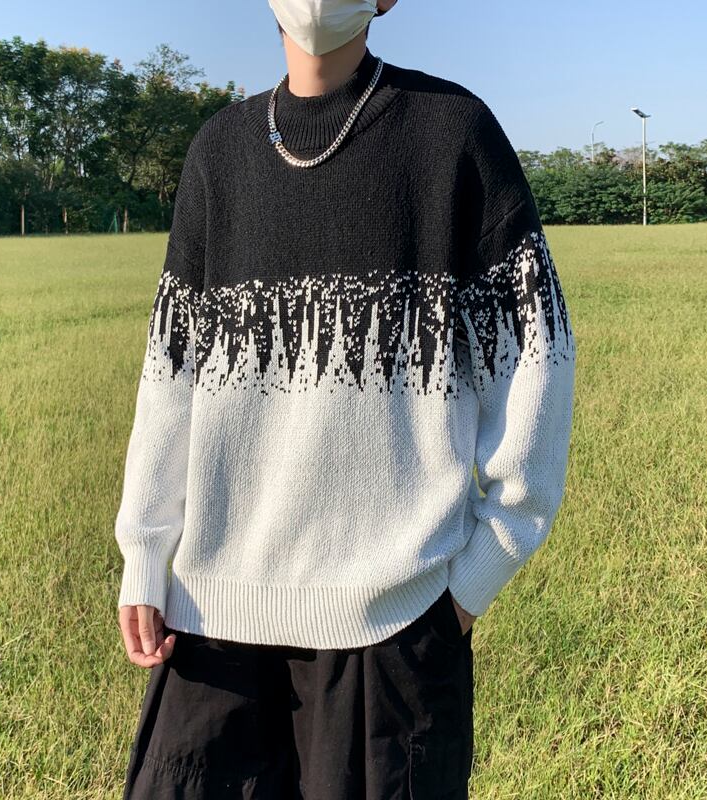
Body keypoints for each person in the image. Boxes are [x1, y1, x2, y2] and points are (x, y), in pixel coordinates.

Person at [114, 0, 577, 797]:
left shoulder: (453, 134)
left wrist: (472, 581)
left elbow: (538, 356)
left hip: (393, 627)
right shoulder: (219, 151)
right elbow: (170, 375)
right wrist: (145, 555)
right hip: (210, 623)